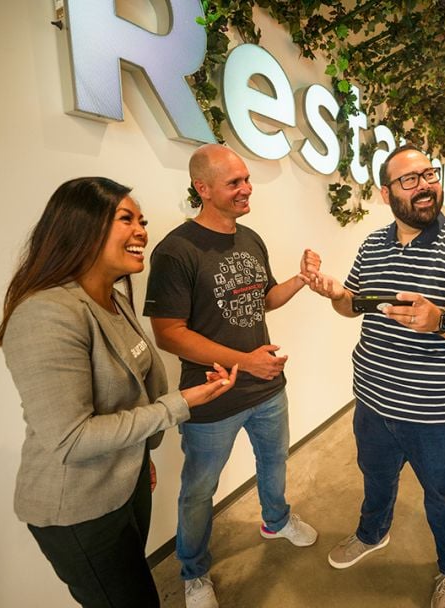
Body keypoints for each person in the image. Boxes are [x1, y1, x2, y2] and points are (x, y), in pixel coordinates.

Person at [0, 177, 237, 608]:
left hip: (126, 481)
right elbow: (70, 438)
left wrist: (139, 459)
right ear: (80, 225)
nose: (142, 230)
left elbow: (136, 385)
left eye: (141, 220)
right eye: (127, 219)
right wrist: (181, 404)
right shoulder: (46, 314)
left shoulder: (113, 299)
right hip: (79, 509)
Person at [307, 144, 445, 608]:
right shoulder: (374, 244)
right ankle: (373, 533)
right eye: (409, 180)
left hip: (441, 414)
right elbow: (352, 305)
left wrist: (441, 320)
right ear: (386, 193)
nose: (424, 186)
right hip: (374, 403)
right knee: (376, 478)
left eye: (428, 175)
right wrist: (336, 293)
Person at [143, 144, 320, 608]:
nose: (246, 189)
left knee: (275, 462)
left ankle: (276, 520)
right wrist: (244, 362)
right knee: (199, 489)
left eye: (246, 179)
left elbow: (262, 299)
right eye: (234, 183)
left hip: (267, 387)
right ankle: (194, 572)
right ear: (203, 188)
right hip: (210, 397)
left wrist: (300, 280)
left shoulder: (250, 238)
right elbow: (169, 334)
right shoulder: (175, 251)